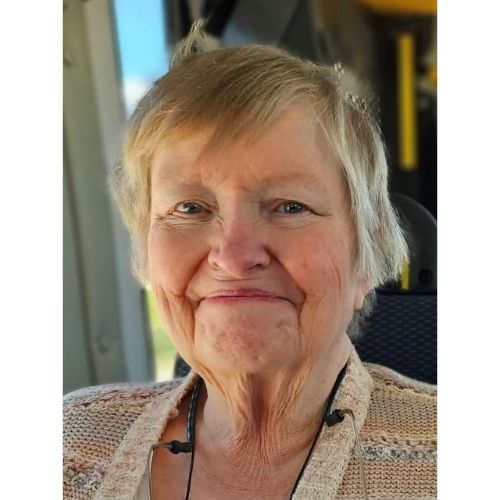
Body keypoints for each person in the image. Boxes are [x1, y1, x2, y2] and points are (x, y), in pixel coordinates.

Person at [63, 22, 437, 500]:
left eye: (291, 207)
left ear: (368, 254)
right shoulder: (67, 443)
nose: (234, 258)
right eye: (189, 208)